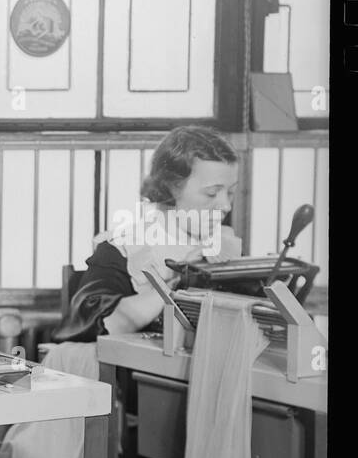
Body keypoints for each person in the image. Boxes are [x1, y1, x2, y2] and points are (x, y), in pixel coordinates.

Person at [54, 125, 242, 342]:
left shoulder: (225, 243)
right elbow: (94, 328)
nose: (226, 206)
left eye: (231, 192)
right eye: (212, 193)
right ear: (173, 188)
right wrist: (179, 281)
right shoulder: (124, 249)